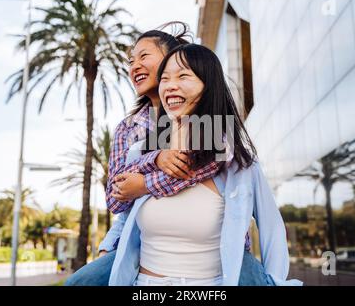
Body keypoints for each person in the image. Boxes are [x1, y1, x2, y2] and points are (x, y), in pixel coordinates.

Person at [65, 24, 278, 286]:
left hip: (216, 252)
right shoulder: (130, 128)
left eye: (144, 56)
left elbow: (201, 163)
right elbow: (118, 197)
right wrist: (156, 159)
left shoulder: (210, 129)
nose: (135, 66)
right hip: (141, 241)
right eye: (131, 60)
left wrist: (143, 183)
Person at [107, 44, 303, 286]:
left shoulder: (237, 164)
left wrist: (274, 281)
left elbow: (272, 230)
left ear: (208, 85)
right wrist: (155, 160)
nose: (170, 85)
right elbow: (116, 199)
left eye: (183, 76)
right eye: (165, 78)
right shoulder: (140, 152)